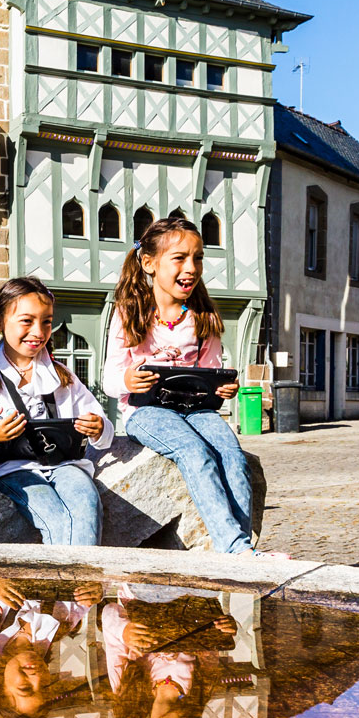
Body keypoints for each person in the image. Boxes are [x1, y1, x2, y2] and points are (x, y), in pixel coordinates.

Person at [105, 217, 284, 557]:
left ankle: (241, 548)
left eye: (198, 258)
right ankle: (234, 549)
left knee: (231, 453)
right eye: (180, 258)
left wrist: (221, 389)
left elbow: (212, 371)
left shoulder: (202, 315)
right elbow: (109, 379)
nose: (191, 267)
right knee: (194, 453)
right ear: (149, 263)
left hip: (197, 408)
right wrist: (128, 379)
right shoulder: (129, 312)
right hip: (146, 410)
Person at [0, 277, 111, 546]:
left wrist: (98, 427)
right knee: (55, 519)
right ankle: (76, 584)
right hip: (10, 471)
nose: (38, 332)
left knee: (87, 507)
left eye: (47, 321)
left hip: (65, 466)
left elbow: (104, 431)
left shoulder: (64, 376)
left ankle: (71, 584)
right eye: (27, 321)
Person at [102, 586, 240, 718]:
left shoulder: (125, 690)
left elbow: (109, 612)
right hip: (192, 588)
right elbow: (211, 624)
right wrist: (227, 626)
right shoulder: (201, 685)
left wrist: (124, 631)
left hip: (140, 589)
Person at [0, 574, 101, 718]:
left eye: (25, 688)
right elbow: (92, 579)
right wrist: (97, 589)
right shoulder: (63, 622)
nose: (37, 678)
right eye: (44, 687)